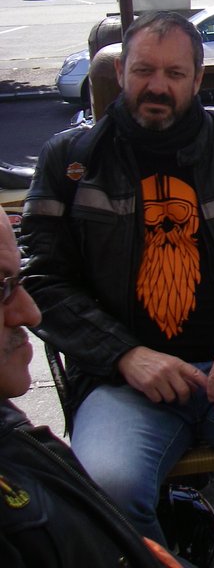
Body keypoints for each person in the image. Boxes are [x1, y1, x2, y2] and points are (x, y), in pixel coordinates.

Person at [21, 11, 214, 567]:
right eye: (144, 70)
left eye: (174, 73)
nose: (158, 86)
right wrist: (125, 355)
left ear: (198, 79)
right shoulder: (70, 160)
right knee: (108, 491)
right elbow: (41, 281)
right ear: (121, 72)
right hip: (125, 385)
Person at [0, 216, 183, 567]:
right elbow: (48, 282)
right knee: (114, 481)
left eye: (16, 282)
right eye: (1, 289)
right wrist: (121, 354)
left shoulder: (14, 435)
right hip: (115, 382)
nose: (30, 314)